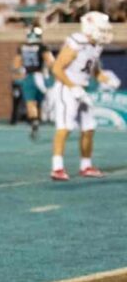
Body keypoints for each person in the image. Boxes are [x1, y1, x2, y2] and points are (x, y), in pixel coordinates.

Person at [50, 11, 116, 181]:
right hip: (66, 88)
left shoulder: (96, 45)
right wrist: (72, 87)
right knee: (65, 127)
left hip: (81, 89)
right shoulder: (77, 42)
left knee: (89, 127)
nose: (104, 33)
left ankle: (85, 166)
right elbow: (57, 68)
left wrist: (106, 79)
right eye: (101, 29)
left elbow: (93, 70)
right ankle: (57, 168)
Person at [14, 26, 54, 140]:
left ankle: (34, 121)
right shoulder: (42, 47)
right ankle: (43, 118)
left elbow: (16, 65)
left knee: (30, 102)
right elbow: (51, 62)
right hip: (40, 76)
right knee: (41, 101)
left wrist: (20, 72)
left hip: (27, 77)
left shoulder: (22, 47)